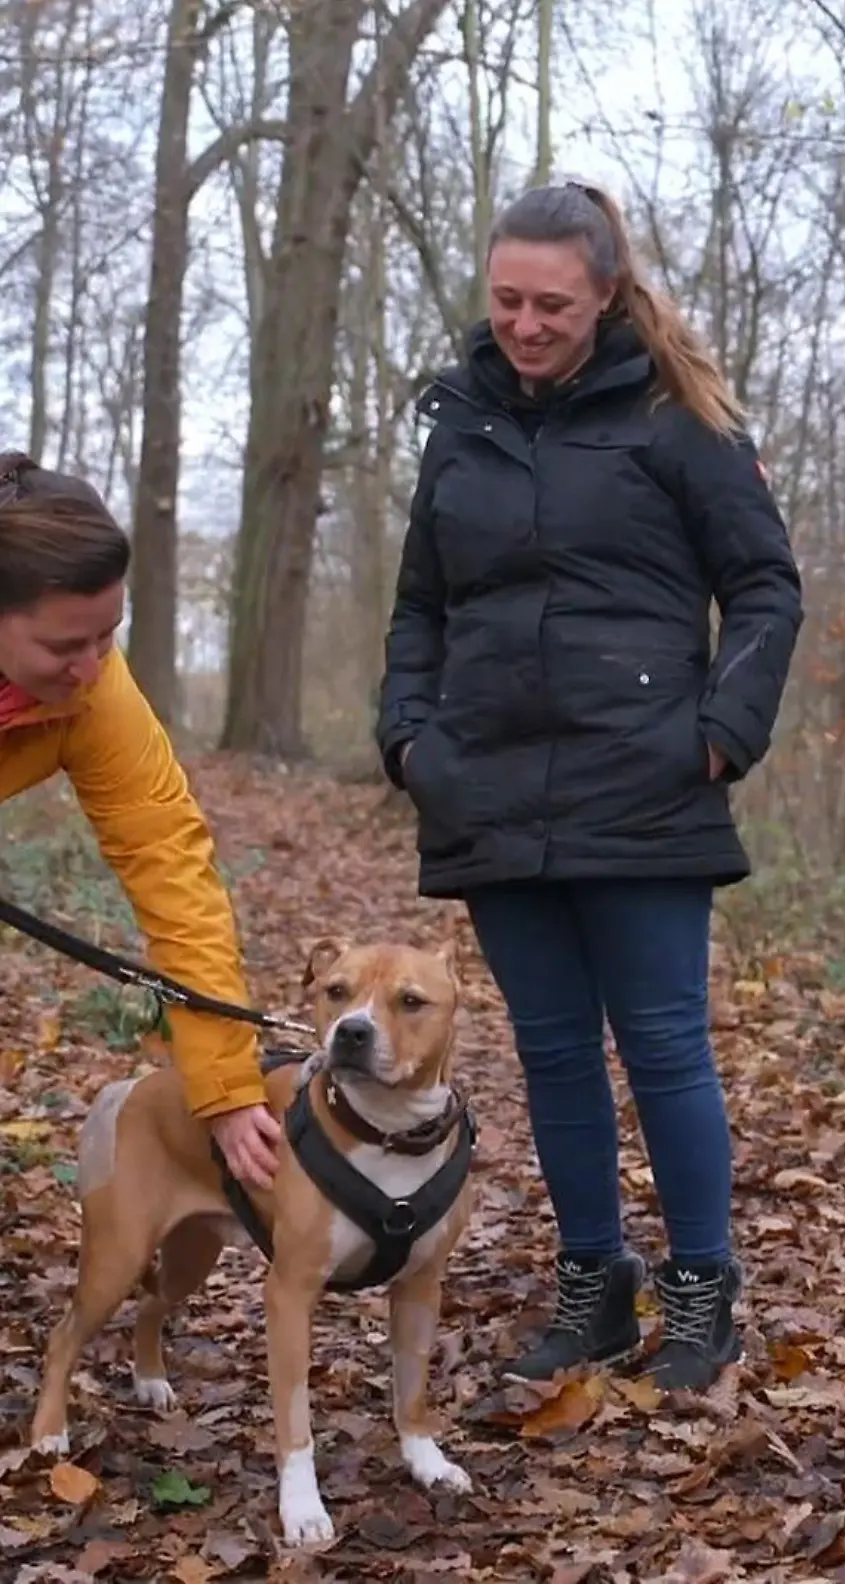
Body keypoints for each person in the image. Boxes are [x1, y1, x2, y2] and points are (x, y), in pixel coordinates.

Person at [376, 182, 803, 1393]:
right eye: (506, 298)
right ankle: (592, 1290)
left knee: (664, 1044)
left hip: (648, 784)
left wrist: (721, 732)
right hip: (490, 787)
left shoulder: (680, 421)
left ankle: (702, 1295)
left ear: (607, 294)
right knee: (555, 1053)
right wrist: (409, 735)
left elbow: (767, 585)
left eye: (551, 302)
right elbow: (421, 604)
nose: (524, 322)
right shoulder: (460, 421)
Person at [0, 451, 279, 1190]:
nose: (91, 668)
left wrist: (225, 1085)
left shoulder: (94, 695)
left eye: (107, 636)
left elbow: (172, 868)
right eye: (64, 646)